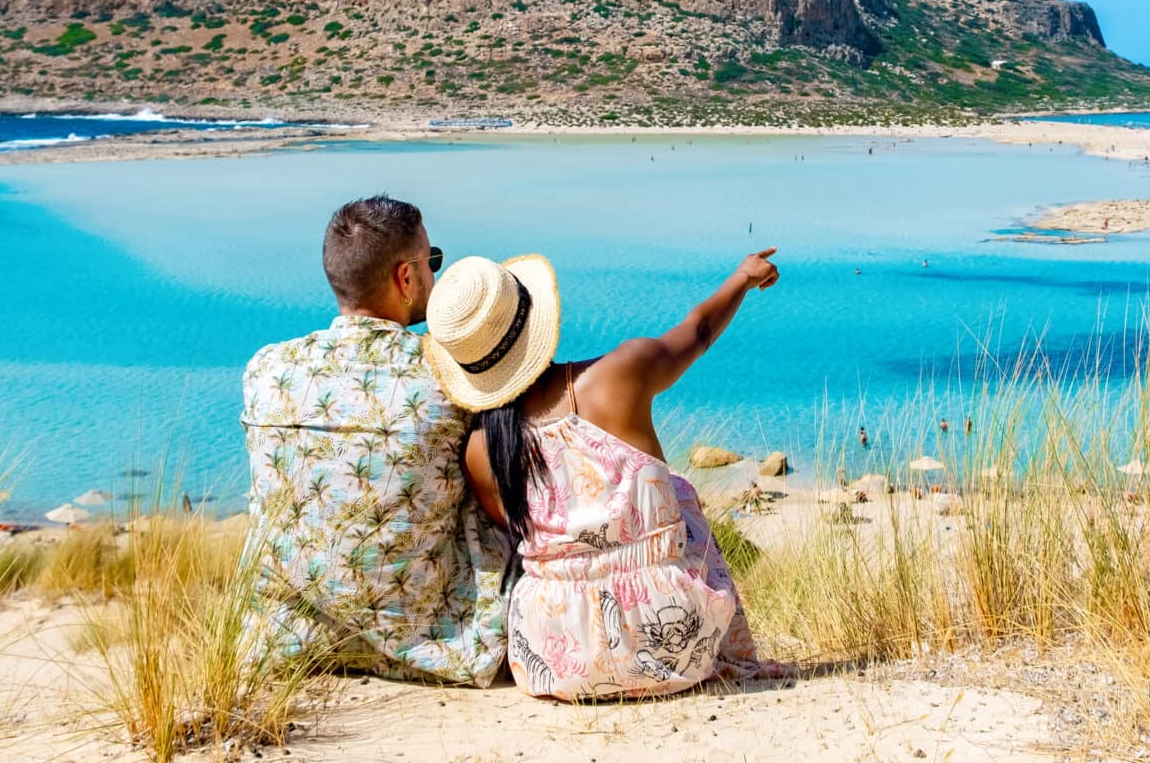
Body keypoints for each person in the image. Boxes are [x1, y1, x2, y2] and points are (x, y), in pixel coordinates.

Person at [430, 247, 789, 701]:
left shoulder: (481, 450)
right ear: (535, 318)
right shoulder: (619, 374)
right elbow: (697, 331)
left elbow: (513, 531)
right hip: (673, 641)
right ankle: (727, 650)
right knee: (676, 492)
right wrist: (742, 276)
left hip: (552, 658)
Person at [239, 195, 508, 685]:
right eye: (433, 262)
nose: (435, 277)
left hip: (288, 640)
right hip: (434, 640)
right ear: (406, 278)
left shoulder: (266, 370)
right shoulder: (445, 373)